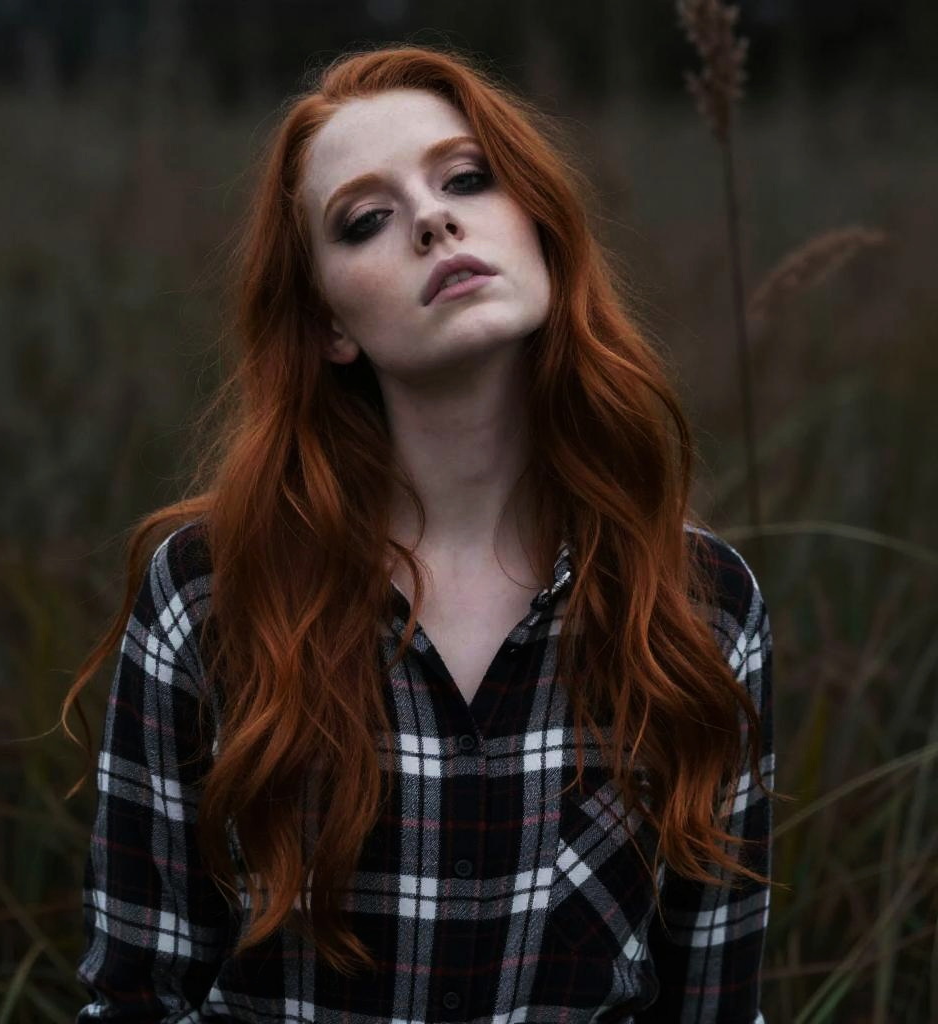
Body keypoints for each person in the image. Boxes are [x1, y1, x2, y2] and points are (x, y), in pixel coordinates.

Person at [62, 43, 775, 1024]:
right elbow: (137, 992)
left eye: (466, 178)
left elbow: (715, 999)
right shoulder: (211, 590)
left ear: (539, 227)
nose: (434, 220)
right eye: (366, 220)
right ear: (330, 326)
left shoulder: (704, 601)